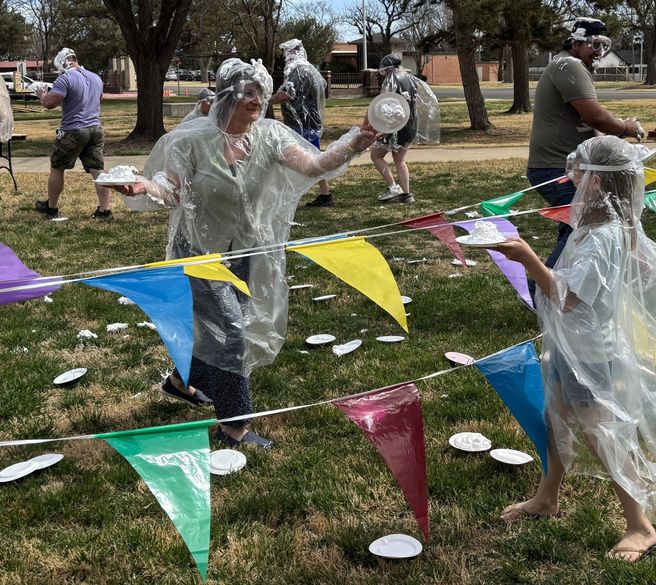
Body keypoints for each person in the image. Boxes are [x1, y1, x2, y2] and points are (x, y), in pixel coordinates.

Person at [113, 58, 379, 448]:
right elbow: (170, 189)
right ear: (227, 94)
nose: (257, 100)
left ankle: (180, 382)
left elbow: (314, 166)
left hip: (246, 252)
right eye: (248, 92)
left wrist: (355, 141)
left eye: (261, 92)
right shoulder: (190, 141)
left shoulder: (270, 136)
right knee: (231, 334)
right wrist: (143, 189)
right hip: (199, 254)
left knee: (216, 327)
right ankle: (233, 427)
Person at [492, 136, 656, 562]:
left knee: (603, 435)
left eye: (580, 172)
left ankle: (641, 527)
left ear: (599, 183)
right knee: (557, 418)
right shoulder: (606, 227)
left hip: (591, 352)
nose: (572, 178)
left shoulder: (602, 237)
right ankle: (546, 497)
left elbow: (569, 297)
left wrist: (529, 260)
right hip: (575, 346)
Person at [527, 18, 643, 273]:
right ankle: (542, 289)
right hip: (555, 167)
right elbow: (594, 116)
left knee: (575, 225)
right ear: (576, 43)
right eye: (594, 44)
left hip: (568, 166)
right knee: (583, 225)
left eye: (604, 45)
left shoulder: (570, 66)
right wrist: (626, 128)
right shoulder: (570, 65)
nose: (599, 52)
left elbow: (589, 123)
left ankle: (561, 285)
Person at [34, 48, 113, 219]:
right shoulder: (95, 78)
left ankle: (51, 207)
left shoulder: (66, 78)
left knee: (57, 167)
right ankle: (104, 210)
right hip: (95, 129)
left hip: (73, 129)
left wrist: (42, 95)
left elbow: (50, 103)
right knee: (98, 169)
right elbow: (97, 99)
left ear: (63, 63)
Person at [269, 39, 333, 207]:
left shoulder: (297, 71)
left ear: (291, 53)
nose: (285, 57)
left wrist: (266, 101)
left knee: (293, 157)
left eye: (286, 54)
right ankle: (325, 194)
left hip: (301, 123)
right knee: (313, 157)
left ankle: (288, 196)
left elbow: (286, 94)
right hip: (312, 121)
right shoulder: (311, 69)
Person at [371, 54, 440, 204]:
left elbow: (384, 103)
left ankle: (392, 187)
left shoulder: (391, 80)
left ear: (388, 69)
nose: (383, 75)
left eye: (383, 72)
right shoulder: (411, 79)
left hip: (394, 126)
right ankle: (407, 194)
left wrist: (379, 127)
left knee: (376, 156)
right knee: (400, 160)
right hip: (409, 125)